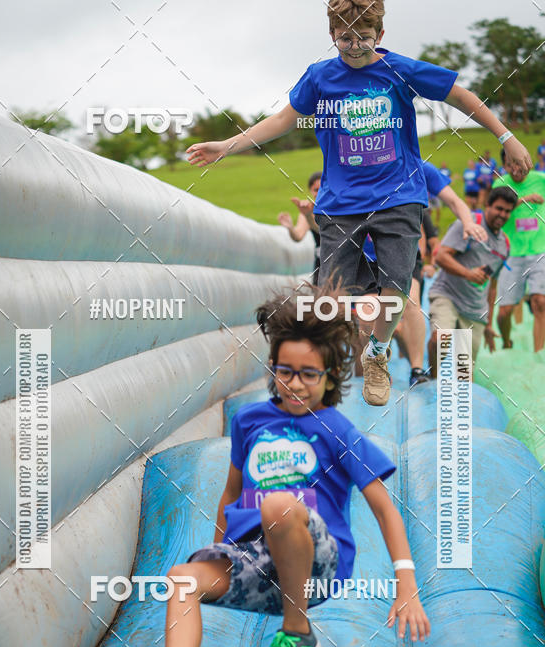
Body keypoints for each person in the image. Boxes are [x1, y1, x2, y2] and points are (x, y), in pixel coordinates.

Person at [186, 0, 531, 408]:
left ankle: (378, 354)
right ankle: (324, 366)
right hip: (341, 202)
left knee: (397, 287)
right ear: (331, 35)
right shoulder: (320, 77)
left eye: (363, 39)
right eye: (345, 38)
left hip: (398, 195)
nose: (353, 47)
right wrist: (227, 145)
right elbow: (282, 121)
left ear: (380, 36)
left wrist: (506, 136)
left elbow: (458, 95)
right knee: (329, 298)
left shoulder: (397, 68)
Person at [128, 287, 430, 647]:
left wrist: (407, 584)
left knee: (278, 506)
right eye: (286, 371)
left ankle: (297, 633)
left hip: (317, 561)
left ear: (331, 376)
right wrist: (221, 551)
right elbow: (230, 495)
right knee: (182, 579)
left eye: (309, 373)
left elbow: (384, 507)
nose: (295, 382)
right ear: (272, 369)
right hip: (258, 557)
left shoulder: (335, 428)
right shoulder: (249, 421)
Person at [363, 161, 487, 386]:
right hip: (367, 257)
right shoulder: (361, 164)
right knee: (369, 312)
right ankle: (370, 366)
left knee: (411, 301)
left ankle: (417, 369)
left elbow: (453, 200)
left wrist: (468, 222)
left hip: (403, 252)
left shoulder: (418, 167)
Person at [427, 186, 517, 373]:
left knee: (464, 374)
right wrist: (468, 274)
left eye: (508, 211)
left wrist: (489, 323)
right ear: (487, 205)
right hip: (447, 295)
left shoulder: (504, 245)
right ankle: (432, 381)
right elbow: (441, 257)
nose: (503, 214)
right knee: (440, 340)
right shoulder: (468, 224)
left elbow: (492, 287)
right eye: (499, 208)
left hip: (475, 311)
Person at [496, 148, 545, 352]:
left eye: (518, 163)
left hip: (539, 250)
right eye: (510, 164)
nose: (515, 168)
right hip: (512, 254)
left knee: (540, 302)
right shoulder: (500, 184)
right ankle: (507, 342)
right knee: (504, 312)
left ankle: (538, 354)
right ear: (505, 165)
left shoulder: (541, 179)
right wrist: (524, 199)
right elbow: (497, 214)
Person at [278, 171, 322, 284]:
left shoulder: (336, 206)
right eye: (316, 190)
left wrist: (308, 216)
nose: (319, 192)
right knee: (321, 298)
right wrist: (290, 228)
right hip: (321, 261)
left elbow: (326, 231)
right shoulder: (307, 208)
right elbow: (298, 236)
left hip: (341, 259)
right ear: (310, 191)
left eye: (323, 187)